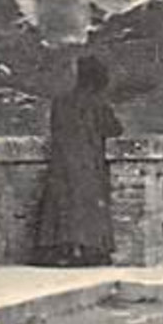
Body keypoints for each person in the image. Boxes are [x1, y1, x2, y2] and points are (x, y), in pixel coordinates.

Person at [34, 55, 123, 267]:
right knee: (89, 207)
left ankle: (59, 250)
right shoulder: (98, 103)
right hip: (88, 162)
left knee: (61, 206)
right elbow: (115, 129)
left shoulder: (61, 102)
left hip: (61, 162)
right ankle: (88, 251)